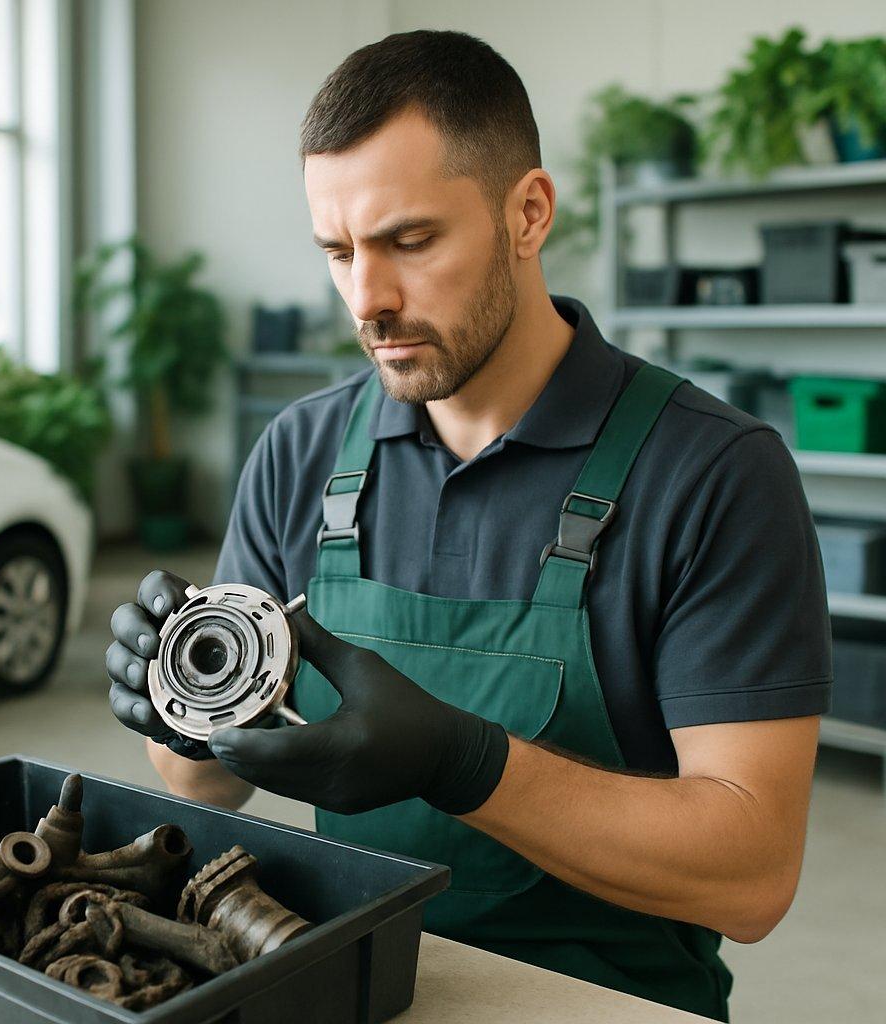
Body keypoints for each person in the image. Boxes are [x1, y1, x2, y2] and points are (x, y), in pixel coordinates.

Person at [105, 29, 831, 1021]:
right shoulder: (302, 450)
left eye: (411, 240)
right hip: (361, 984)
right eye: (338, 251)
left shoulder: (712, 472)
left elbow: (750, 877)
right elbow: (201, 785)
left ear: (527, 213)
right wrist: (177, 702)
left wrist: (465, 763)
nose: (369, 298)